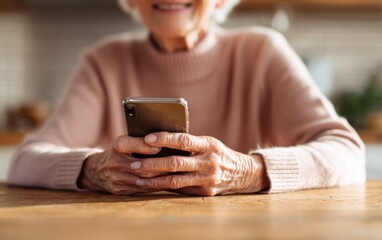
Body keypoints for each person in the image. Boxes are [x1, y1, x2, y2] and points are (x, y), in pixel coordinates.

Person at [7, 0, 365, 196]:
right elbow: (24, 161)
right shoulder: (104, 62)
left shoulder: (262, 52)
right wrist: (94, 171)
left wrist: (246, 172)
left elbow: (348, 152)